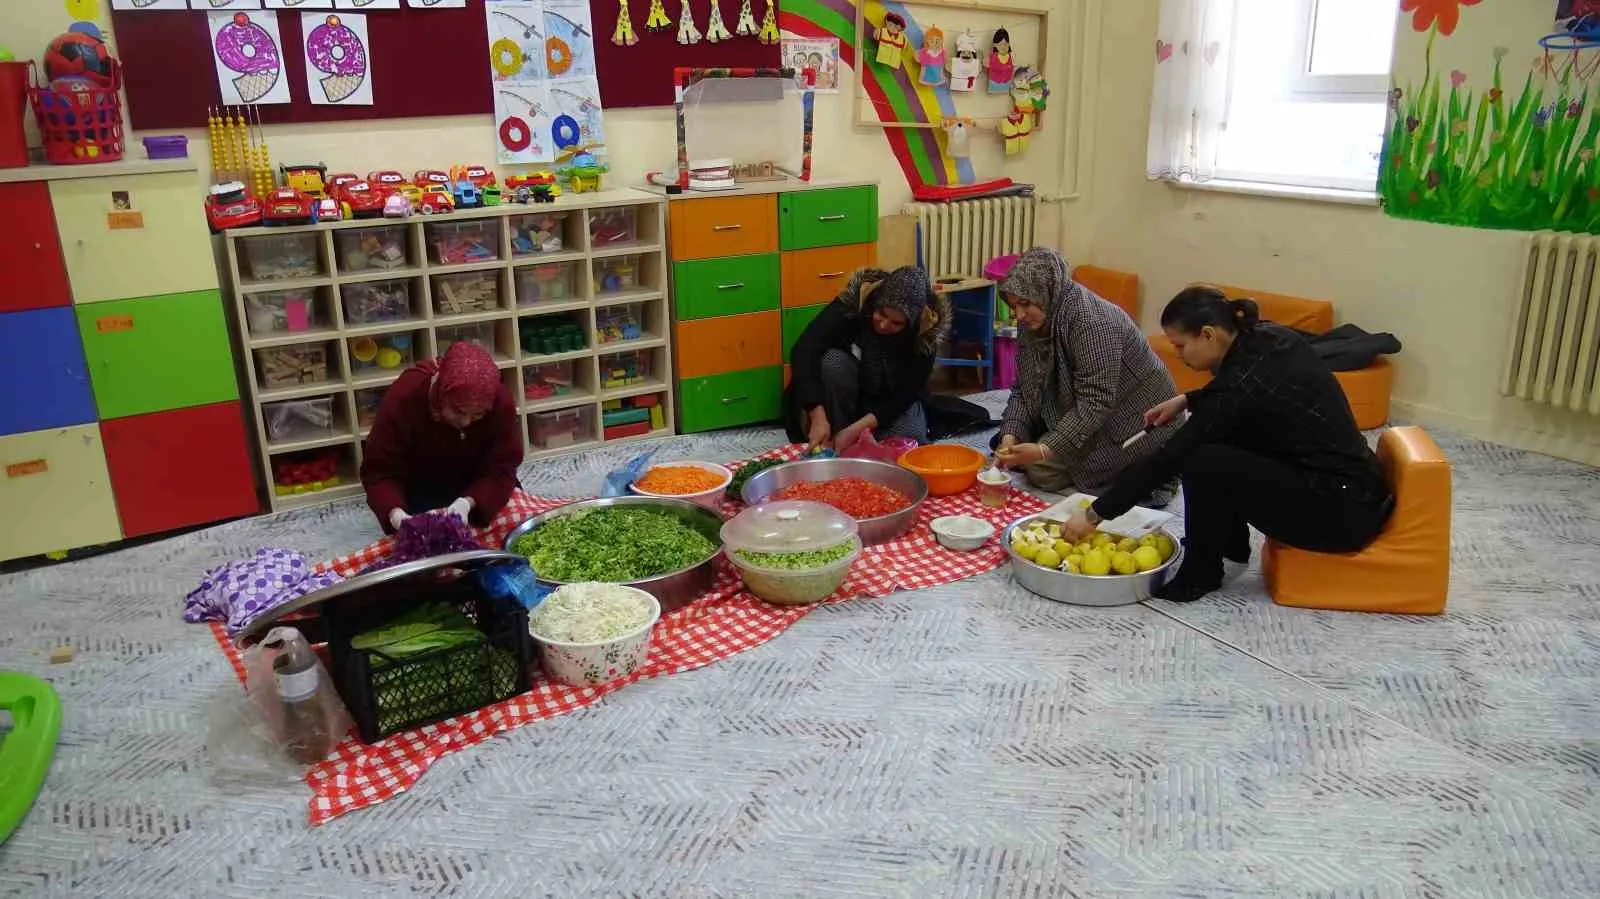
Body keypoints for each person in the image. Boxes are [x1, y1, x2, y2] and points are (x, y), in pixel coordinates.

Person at [1059, 286, 1395, 603]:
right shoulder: (1266, 337)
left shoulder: (1241, 380)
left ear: (1207, 334)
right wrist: (1187, 400)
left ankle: (1201, 573)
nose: (1178, 354)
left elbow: (1170, 457)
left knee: (1201, 459)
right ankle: (1229, 544)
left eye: (1180, 346)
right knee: (1225, 438)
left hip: (1340, 512)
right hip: (1357, 489)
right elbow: (1246, 390)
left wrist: (1095, 513)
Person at [993, 247, 1181, 500]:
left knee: (1041, 468)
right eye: (1014, 305)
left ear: (1046, 291)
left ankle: (1147, 470)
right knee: (1009, 443)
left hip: (1135, 421)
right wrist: (1010, 435)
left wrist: (1044, 449)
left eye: (1025, 304)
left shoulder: (1092, 322)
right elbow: (1024, 388)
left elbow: (1095, 402)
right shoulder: (1035, 318)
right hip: (1084, 407)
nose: (1019, 314)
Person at [361, 342, 523, 534]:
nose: (466, 422)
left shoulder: (499, 401)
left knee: (517, 527)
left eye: (478, 415)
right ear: (442, 393)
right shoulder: (403, 399)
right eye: (458, 411)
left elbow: (503, 464)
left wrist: (468, 502)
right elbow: (379, 471)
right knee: (427, 538)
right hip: (421, 487)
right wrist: (396, 514)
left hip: (483, 486)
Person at [785, 266, 951, 453]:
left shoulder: (925, 335)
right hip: (847, 394)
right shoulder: (853, 304)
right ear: (875, 302)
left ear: (912, 323)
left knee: (910, 440)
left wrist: (856, 429)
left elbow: (903, 396)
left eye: (896, 323)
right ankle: (835, 433)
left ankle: (855, 438)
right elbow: (805, 349)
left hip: (887, 400)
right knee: (833, 362)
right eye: (881, 313)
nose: (883, 325)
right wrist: (817, 416)